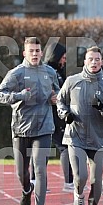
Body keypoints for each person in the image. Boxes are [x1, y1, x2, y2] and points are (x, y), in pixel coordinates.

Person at [0, 37, 60, 205]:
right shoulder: (16, 73)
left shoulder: (50, 72)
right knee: (21, 171)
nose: (34, 54)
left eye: (37, 51)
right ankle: (26, 190)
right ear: (24, 53)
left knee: (40, 169)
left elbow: (59, 93)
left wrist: (56, 99)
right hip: (21, 127)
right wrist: (19, 96)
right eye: (31, 51)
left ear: (41, 52)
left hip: (44, 127)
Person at [57, 46, 103, 205]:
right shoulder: (72, 81)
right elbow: (61, 101)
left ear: (102, 62)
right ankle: (78, 193)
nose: (94, 62)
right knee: (81, 176)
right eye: (90, 59)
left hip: (99, 139)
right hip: (75, 136)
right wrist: (65, 114)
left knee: (96, 182)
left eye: (97, 59)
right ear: (85, 61)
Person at [42, 42, 75, 192]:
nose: (65, 60)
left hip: (57, 116)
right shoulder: (48, 72)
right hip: (48, 116)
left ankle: (38, 180)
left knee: (58, 147)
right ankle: (67, 183)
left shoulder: (58, 72)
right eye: (63, 57)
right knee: (58, 147)